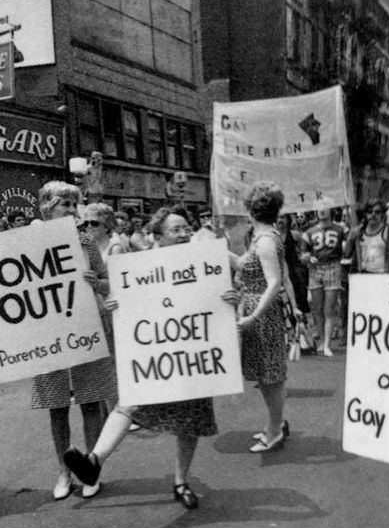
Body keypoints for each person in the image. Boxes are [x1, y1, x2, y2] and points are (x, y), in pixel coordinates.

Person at [64, 208, 239, 509]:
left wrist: (230, 300)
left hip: (191, 353)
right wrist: (114, 299)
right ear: (157, 237)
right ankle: (93, 462)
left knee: (190, 419)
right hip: (154, 354)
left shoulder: (205, 262)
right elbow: (120, 299)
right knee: (129, 404)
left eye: (187, 228)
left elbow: (223, 295)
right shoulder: (140, 269)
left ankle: (181, 481)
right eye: (176, 230)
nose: (184, 234)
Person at [31, 182, 117, 500]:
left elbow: (109, 284)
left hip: (84, 328)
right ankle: (63, 472)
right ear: (46, 208)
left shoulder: (85, 243)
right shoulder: (27, 243)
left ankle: (89, 470)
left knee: (91, 401)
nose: (70, 210)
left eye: (73, 204)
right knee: (56, 407)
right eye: (63, 204)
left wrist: (97, 282)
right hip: (47, 334)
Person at [234, 181, 296, 453]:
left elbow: (274, 282)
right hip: (257, 312)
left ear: (250, 209)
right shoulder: (263, 237)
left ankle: (274, 430)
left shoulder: (266, 241)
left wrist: (255, 315)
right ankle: (275, 424)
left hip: (262, 315)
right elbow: (244, 264)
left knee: (270, 377)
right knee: (266, 375)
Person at [301, 208, 345, 356]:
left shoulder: (341, 229)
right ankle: (321, 341)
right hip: (315, 268)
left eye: (325, 208)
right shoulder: (309, 232)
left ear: (330, 210)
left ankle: (327, 344)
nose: (322, 211)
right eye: (319, 208)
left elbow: (348, 247)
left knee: (329, 308)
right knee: (317, 308)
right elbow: (303, 254)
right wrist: (307, 257)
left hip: (333, 266)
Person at [342, 199, 389, 273]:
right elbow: (347, 254)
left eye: (377, 212)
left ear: (382, 214)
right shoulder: (359, 232)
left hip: (381, 276)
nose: (373, 214)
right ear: (366, 214)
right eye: (370, 211)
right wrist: (351, 238)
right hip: (362, 274)